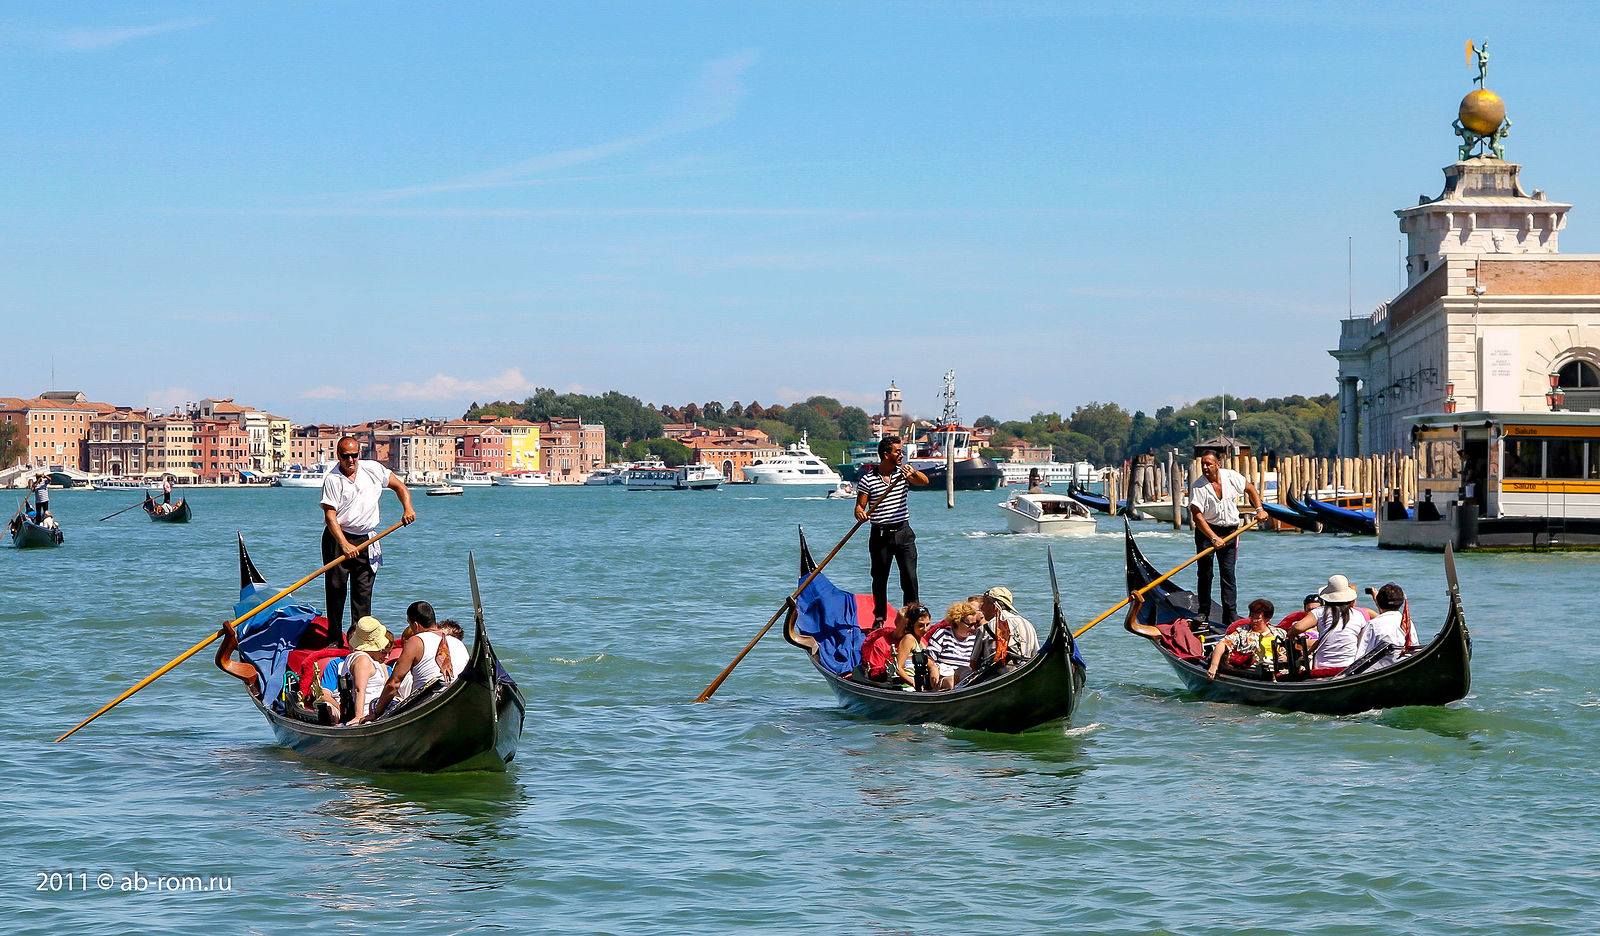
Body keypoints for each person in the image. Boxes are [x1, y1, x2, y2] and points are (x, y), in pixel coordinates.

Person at [320, 436, 416, 633]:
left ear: (359, 454)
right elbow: (330, 516)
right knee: (336, 590)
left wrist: (408, 508)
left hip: (367, 538)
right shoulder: (332, 479)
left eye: (354, 455)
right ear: (338, 455)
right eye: (345, 456)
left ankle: (360, 637)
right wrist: (344, 544)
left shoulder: (373, 469)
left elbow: (400, 487)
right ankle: (334, 637)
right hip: (338, 538)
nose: (350, 460)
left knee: (363, 592)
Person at [853, 436, 929, 625]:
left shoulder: (903, 475)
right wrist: (860, 513)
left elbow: (924, 481)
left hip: (903, 532)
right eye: (898, 452)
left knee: (909, 577)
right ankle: (880, 617)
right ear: (886, 454)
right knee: (879, 578)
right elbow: (859, 507)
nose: (901, 455)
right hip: (880, 535)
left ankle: (912, 616)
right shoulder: (867, 480)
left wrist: (913, 473)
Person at [1187, 453, 1268, 626]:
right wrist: (1213, 537)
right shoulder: (1198, 486)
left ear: (1218, 464)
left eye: (1209, 464)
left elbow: (1250, 489)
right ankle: (1203, 612)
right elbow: (1197, 517)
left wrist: (1259, 509)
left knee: (1228, 573)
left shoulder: (1231, 476)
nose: (1205, 467)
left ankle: (1230, 614)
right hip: (1206, 532)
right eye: (1203, 464)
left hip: (1230, 531)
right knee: (1205, 573)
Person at [368, 602, 469, 717]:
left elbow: (393, 684)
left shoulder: (416, 641)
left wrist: (376, 713)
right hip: (458, 702)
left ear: (415, 624)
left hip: (426, 707)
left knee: (374, 703)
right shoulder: (457, 643)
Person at [1287, 574, 1368, 677]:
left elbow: (1298, 627)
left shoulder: (1320, 612)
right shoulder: (1358, 615)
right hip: (1349, 666)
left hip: (1322, 666)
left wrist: (1290, 633)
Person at [329, 616, 392, 726]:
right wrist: (359, 717)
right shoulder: (363, 660)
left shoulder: (369, 659)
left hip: (377, 709)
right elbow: (359, 689)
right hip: (368, 714)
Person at [1205, 599, 1286, 680]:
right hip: (1254, 671)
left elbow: (1289, 652)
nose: (1253, 621)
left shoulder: (1279, 633)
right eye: (1252, 617)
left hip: (1280, 670)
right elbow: (1221, 644)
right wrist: (1213, 666)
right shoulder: (1243, 632)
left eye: (1257, 618)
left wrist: (1286, 658)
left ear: (1267, 619)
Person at [969, 587, 1040, 673]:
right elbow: (1035, 656)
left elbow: (974, 664)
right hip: (1025, 672)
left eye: (984, 603)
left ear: (993, 606)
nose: (982, 608)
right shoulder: (1027, 624)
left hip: (996, 676)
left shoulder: (985, 628)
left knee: (961, 672)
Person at [1359, 583, 1415, 670]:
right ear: (1401, 602)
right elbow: (1414, 647)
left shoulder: (1373, 624)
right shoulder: (1408, 622)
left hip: (1378, 671)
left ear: (1379, 602)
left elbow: (1361, 654)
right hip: (1404, 666)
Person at [928, 601, 981, 690]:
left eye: (974, 624)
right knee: (951, 681)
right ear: (957, 621)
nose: (973, 628)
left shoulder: (974, 638)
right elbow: (929, 658)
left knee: (966, 673)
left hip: (965, 675)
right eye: (969, 625)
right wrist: (932, 668)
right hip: (944, 674)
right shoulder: (943, 634)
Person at [888, 602, 932, 689]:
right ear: (912, 624)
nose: (925, 629)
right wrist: (913, 683)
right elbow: (898, 668)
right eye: (921, 625)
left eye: (927, 625)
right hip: (907, 686)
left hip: (919, 684)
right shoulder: (909, 639)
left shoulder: (921, 643)